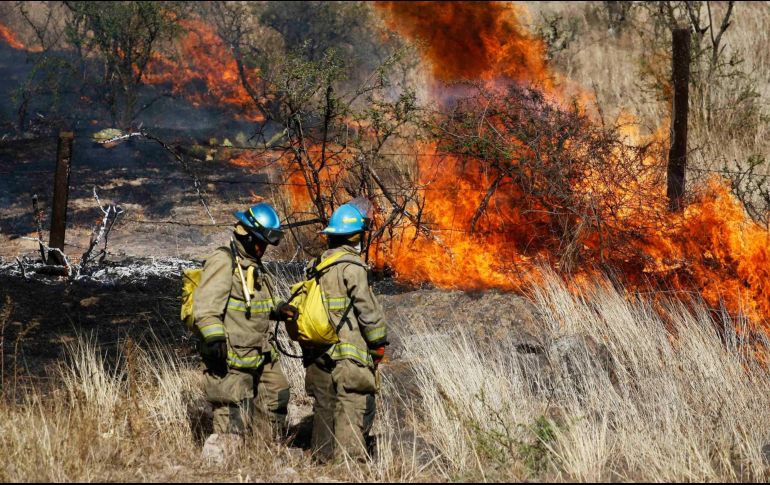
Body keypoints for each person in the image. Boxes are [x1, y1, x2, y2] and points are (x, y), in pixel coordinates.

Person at [193, 202, 290, 443]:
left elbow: (256, 302)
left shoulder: (252, 265)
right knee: (232, 410)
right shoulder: (224, 261)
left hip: (261, 352)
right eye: (260, 243)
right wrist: (214, 338)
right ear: (247, 236)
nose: (263, 249)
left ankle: (266, 450)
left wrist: (278, 309)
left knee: (277, 394)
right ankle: (228, 458)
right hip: (232, 357)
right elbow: (205, 307)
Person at [300, 201, 389, 462]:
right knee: (352, 399)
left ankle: (322, 459)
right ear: (355, 237)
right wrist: (378, 343)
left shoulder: (316, 265)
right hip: (347, 351)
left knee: (324, 403)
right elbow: (367, 310)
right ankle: (348, 464)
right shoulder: (352, 267)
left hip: (317, 349)